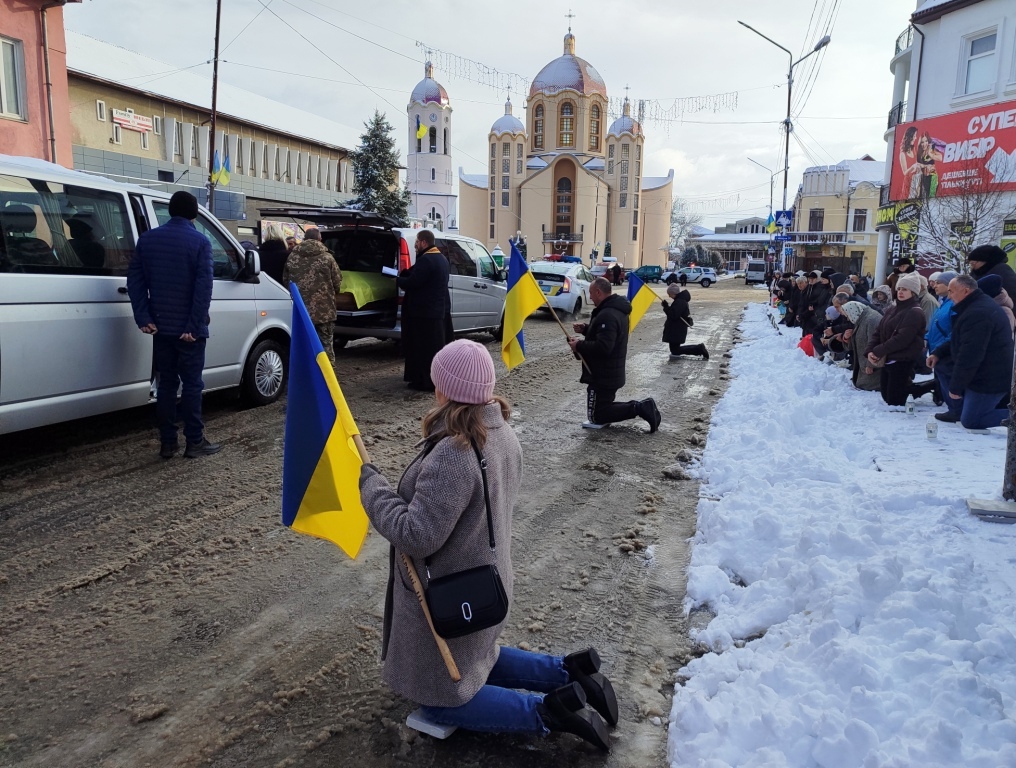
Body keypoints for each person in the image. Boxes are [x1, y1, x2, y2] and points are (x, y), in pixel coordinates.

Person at [358, 340, 616, 752]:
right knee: (481, 658)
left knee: (438, 702)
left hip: (451, 594)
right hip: (485, 582)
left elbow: (417, 535)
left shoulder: (454, 452)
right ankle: (571, 672)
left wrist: (373, 490)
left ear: (445, 389)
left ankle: (550, 711)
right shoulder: (500, 432)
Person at [126, 191, 220, 459]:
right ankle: (195, 442)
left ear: (170, 211)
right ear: (194, 214)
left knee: (166, 384)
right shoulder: (201, 242)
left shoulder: (148, 240)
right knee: (192, 385)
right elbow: (204, 289)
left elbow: (135, 282)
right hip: (189, 331)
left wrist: (143, 318)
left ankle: (168, 443)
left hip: (160, 328)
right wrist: (193, 325)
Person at [568, 277, 661, 432]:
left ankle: (641, 407)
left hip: (604, 373)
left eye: (591, 293)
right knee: (601, 410)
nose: (590, 297)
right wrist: (586, 329)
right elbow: (607, 334)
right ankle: (640, 407)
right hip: (610, 371)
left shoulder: (608, 314)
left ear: (598, 292)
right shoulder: (614, 310)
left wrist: (579, 345)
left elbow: (604, 346)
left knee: (597, 415)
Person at [931, 275, 1014, 429]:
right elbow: (960, 339)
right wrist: (938, 352)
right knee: (942, 365)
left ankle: (1011, 417)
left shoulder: (978, 313)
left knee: (971, 421)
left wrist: (956, 387)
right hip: (984, 372)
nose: (949, 296)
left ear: (966, 291)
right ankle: (960, 410)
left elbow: (970, 354)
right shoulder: (975, 306)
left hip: (990, 377)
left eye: (951, 291)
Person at [864, 272, 929, 407]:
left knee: (895, 400)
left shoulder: (914, 311)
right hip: (888, 356)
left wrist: (877, 351)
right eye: (899, 288)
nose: (900, 292)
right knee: (886, 396)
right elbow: (878, 331)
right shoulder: (892, 309)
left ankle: (929, 386)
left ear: (913, 292)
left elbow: (902, 338)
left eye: (905, 289)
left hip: (902, 358)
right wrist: (870, 350)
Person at [397, 230, 451, 391]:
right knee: (433, 349)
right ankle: (432, 380)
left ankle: (423, 381)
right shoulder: (441, 259)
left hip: (423, 314)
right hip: (436, 313)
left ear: (424, 242)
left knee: (422, 350)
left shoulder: (427, 260)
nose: (415, 245)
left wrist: (397, 279)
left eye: (417, 242)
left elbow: (414, 282)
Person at [283, 232, 343, 365]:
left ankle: (306, 376)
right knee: (325, 345)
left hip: (300, 312)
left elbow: (286, 282)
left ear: (304, 239)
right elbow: (337, 283)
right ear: (319, 239)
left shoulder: (292, 257)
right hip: (324, 311)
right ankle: (327, 378)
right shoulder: (327, 258)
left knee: (303, 345)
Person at [925, 271, 959, 420]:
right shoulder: (944, 302)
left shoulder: (953, 304)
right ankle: (950, 407)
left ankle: (955, 410)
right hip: (936, 349)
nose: (935, 285)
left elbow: (954, 330)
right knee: (942, 380)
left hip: (945, 351)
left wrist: (942, 347)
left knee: (948, 381)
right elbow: (935, 324)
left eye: (939, 282)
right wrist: (926, 338)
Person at [839, 301, 881, 391]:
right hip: (865, 365)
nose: (848, 319)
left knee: (866, 384)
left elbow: (875, 343)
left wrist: (870, 365)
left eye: (847, 316)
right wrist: (847, 338)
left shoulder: (871, 319)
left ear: (852, 311)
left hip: (874, 367)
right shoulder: (862, 318)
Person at [661, 283, 708, 360]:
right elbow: (675, 313)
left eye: (669, 294)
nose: (669, 296)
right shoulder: (679, 301)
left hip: (676, 329)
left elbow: (673, 315)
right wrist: (667, 307)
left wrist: (666, 307)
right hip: (677, 329)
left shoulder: (680, 302)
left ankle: (699, 348)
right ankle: (699, 348)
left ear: (674, 293)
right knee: (675, 350)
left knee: (675, 350)